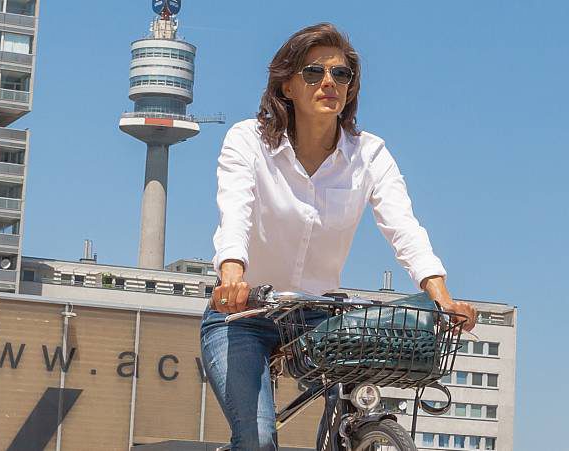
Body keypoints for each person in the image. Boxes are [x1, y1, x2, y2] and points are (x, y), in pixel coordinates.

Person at [200, 22, 476, 451]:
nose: (329, 82)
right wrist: (231, 278)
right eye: (314, 72)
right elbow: (234, 212)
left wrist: (441, 295)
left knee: (356, 412)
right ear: (287, 85)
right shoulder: (248, 141)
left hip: (319, 317)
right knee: (257, 437)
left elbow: (404, 227)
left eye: (341, 74)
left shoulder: (370, 154)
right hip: (244, 314)